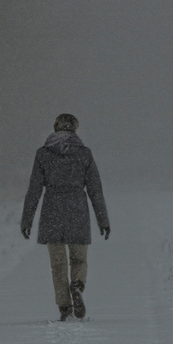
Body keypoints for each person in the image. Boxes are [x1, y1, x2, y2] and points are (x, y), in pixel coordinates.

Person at [21, 113, 110, 320]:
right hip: (77, 211)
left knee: (58, 265)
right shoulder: (84, 154)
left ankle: (65, 308)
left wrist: (27, 221)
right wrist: (103, 220)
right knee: (79, 260)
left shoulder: (43, 154)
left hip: (52, 211)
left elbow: (34, 190)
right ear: (75, 129)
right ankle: (77, 284)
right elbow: (95, 190)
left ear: (55, 128)